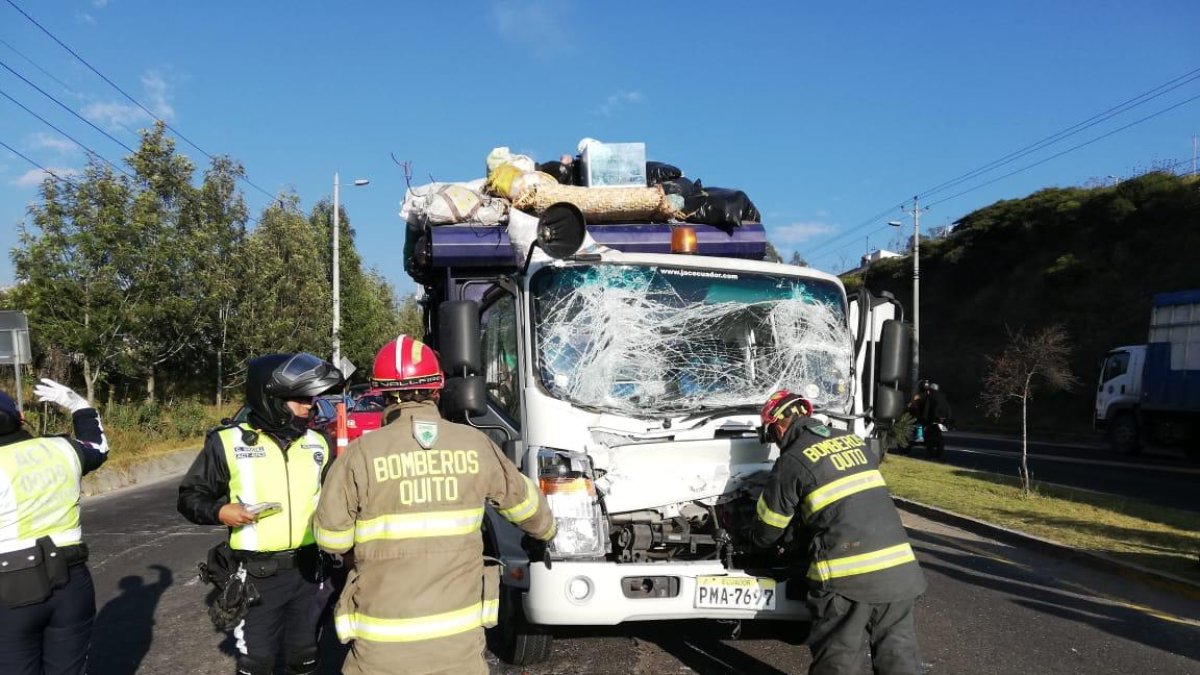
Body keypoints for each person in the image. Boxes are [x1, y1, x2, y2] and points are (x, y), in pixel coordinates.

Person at [314, 334, 557, 675]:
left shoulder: (360, 455)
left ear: (382, 393)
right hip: (457, 649)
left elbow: (331, 539)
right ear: (437, 387)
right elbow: (530, 509)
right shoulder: (475, 445)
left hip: (381, 649)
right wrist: (545, 532)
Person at [178, 353, 344, 675]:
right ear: (271, 399)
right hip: (258, 576)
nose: (310, 405)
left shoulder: (319, 443)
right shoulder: (227, 442)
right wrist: (221, 510)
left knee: (305, 657)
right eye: (300, 399)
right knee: (259, 662)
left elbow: (337, 500)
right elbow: (189, 497)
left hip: (311, 571)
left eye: (311, 398)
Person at [751, 389, 926, 675]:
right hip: (900, 571)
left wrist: (755, 543)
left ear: (780, 426)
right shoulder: (852, 442)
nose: (773, 441)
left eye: (770, 434)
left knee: (839, 661)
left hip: (848, 579)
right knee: (899, 658)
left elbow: (769, 529)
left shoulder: (792, 460)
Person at [0, 378, 109, 675]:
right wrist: (79, 406)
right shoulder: (63, 448)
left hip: (10, 590)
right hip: (71, 583)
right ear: (21, 419)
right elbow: (98, 447)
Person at [917, 380, 952, 460]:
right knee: (938, 435)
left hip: (933, 419)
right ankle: (939, 453)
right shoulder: (943, 396)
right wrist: (948, 419)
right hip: (942, 420)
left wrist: (923, 419)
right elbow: (948, 408)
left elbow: (927, 408)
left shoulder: (930, 396)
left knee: (927, 434)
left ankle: (929, 453)